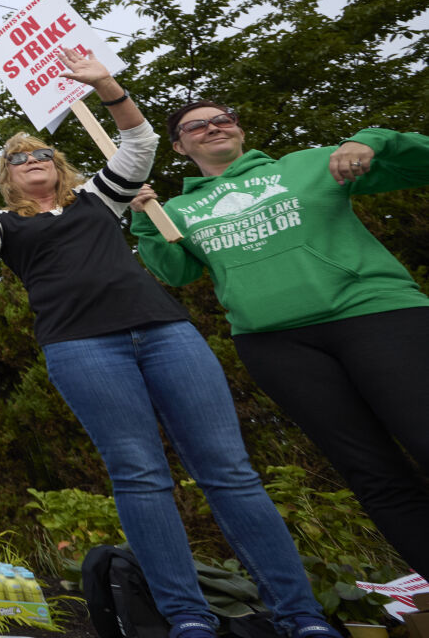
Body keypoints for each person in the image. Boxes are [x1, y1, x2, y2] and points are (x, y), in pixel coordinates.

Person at [0, 53, 389, 638]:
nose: (31, 165)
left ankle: (305, 627)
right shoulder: (7, 226)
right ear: (6, 180)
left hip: (166, 334)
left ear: (58, 166)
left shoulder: (100, 199)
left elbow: (138, 141)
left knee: (229, 471)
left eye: (40, 157)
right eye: (16, 161)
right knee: (139, 475)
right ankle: (189, 623)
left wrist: (105, 87)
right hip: (83, 348)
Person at [131, 104, 429, 582]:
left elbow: (421, 163)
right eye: (196, 126)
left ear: (240, 129)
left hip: (377, 315)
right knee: (372, 474)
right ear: (180, 146)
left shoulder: (310, 164)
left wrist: (371, 140)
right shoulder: (179, 210)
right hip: (274, 344)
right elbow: (177, 273)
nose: (213, 127)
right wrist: (144, 219)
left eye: (223, 119)